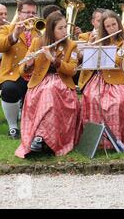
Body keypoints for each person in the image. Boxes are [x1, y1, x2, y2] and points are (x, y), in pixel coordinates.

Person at [15, 11, 80, 158]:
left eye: (65, 27)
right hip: (40, 83)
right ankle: (40, 138)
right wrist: (28, 64)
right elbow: (22, 71)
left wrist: (54, 60)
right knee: (46, 92)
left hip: (61, 83)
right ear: (51, 29)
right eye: (60, 28)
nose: (65, 31)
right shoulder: (38, 42)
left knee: (50, 91)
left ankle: (42, 137)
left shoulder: (71, 45)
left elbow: (72, 70)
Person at [79, 10, 124, 148]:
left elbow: (119, 61)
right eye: (108, 26)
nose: (112, 28)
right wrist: (92, 47)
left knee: (119, 101)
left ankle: (120, 140)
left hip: (117, 79)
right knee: (93, 97)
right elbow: (88, 64)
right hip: (99, 79)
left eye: (114, 25)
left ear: (119, 25)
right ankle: (98, 141)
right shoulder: (97, 40)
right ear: (104, 28)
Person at [0, 0, 41, 139]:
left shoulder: (39, 30)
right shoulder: (6, 29)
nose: (30, 15)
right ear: (19, 13)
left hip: (35, 73)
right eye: (27, 12)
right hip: (13, 73)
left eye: (33, 12)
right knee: (9, 89)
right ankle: (13, 127)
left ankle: (36, 127)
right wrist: (15, 34)